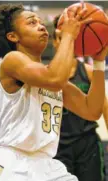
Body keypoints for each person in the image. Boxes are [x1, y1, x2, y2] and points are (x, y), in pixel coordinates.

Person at [0, 4, 107, 181]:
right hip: (13, 162)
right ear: (13, 36)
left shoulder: (49, 75)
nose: (42, 26)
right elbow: (54, 78)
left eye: (41, 22)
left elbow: (92, 110)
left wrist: (98, 62)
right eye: (32, 23)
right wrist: (68, 36)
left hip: (46, 164)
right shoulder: (12, 61)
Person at [52, 15, 108, 181]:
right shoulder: (47, 75)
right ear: (55, 42)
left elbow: (104, 106)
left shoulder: (89, 71)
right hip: (56, 146)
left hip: (87, 144)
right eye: (60, 37)